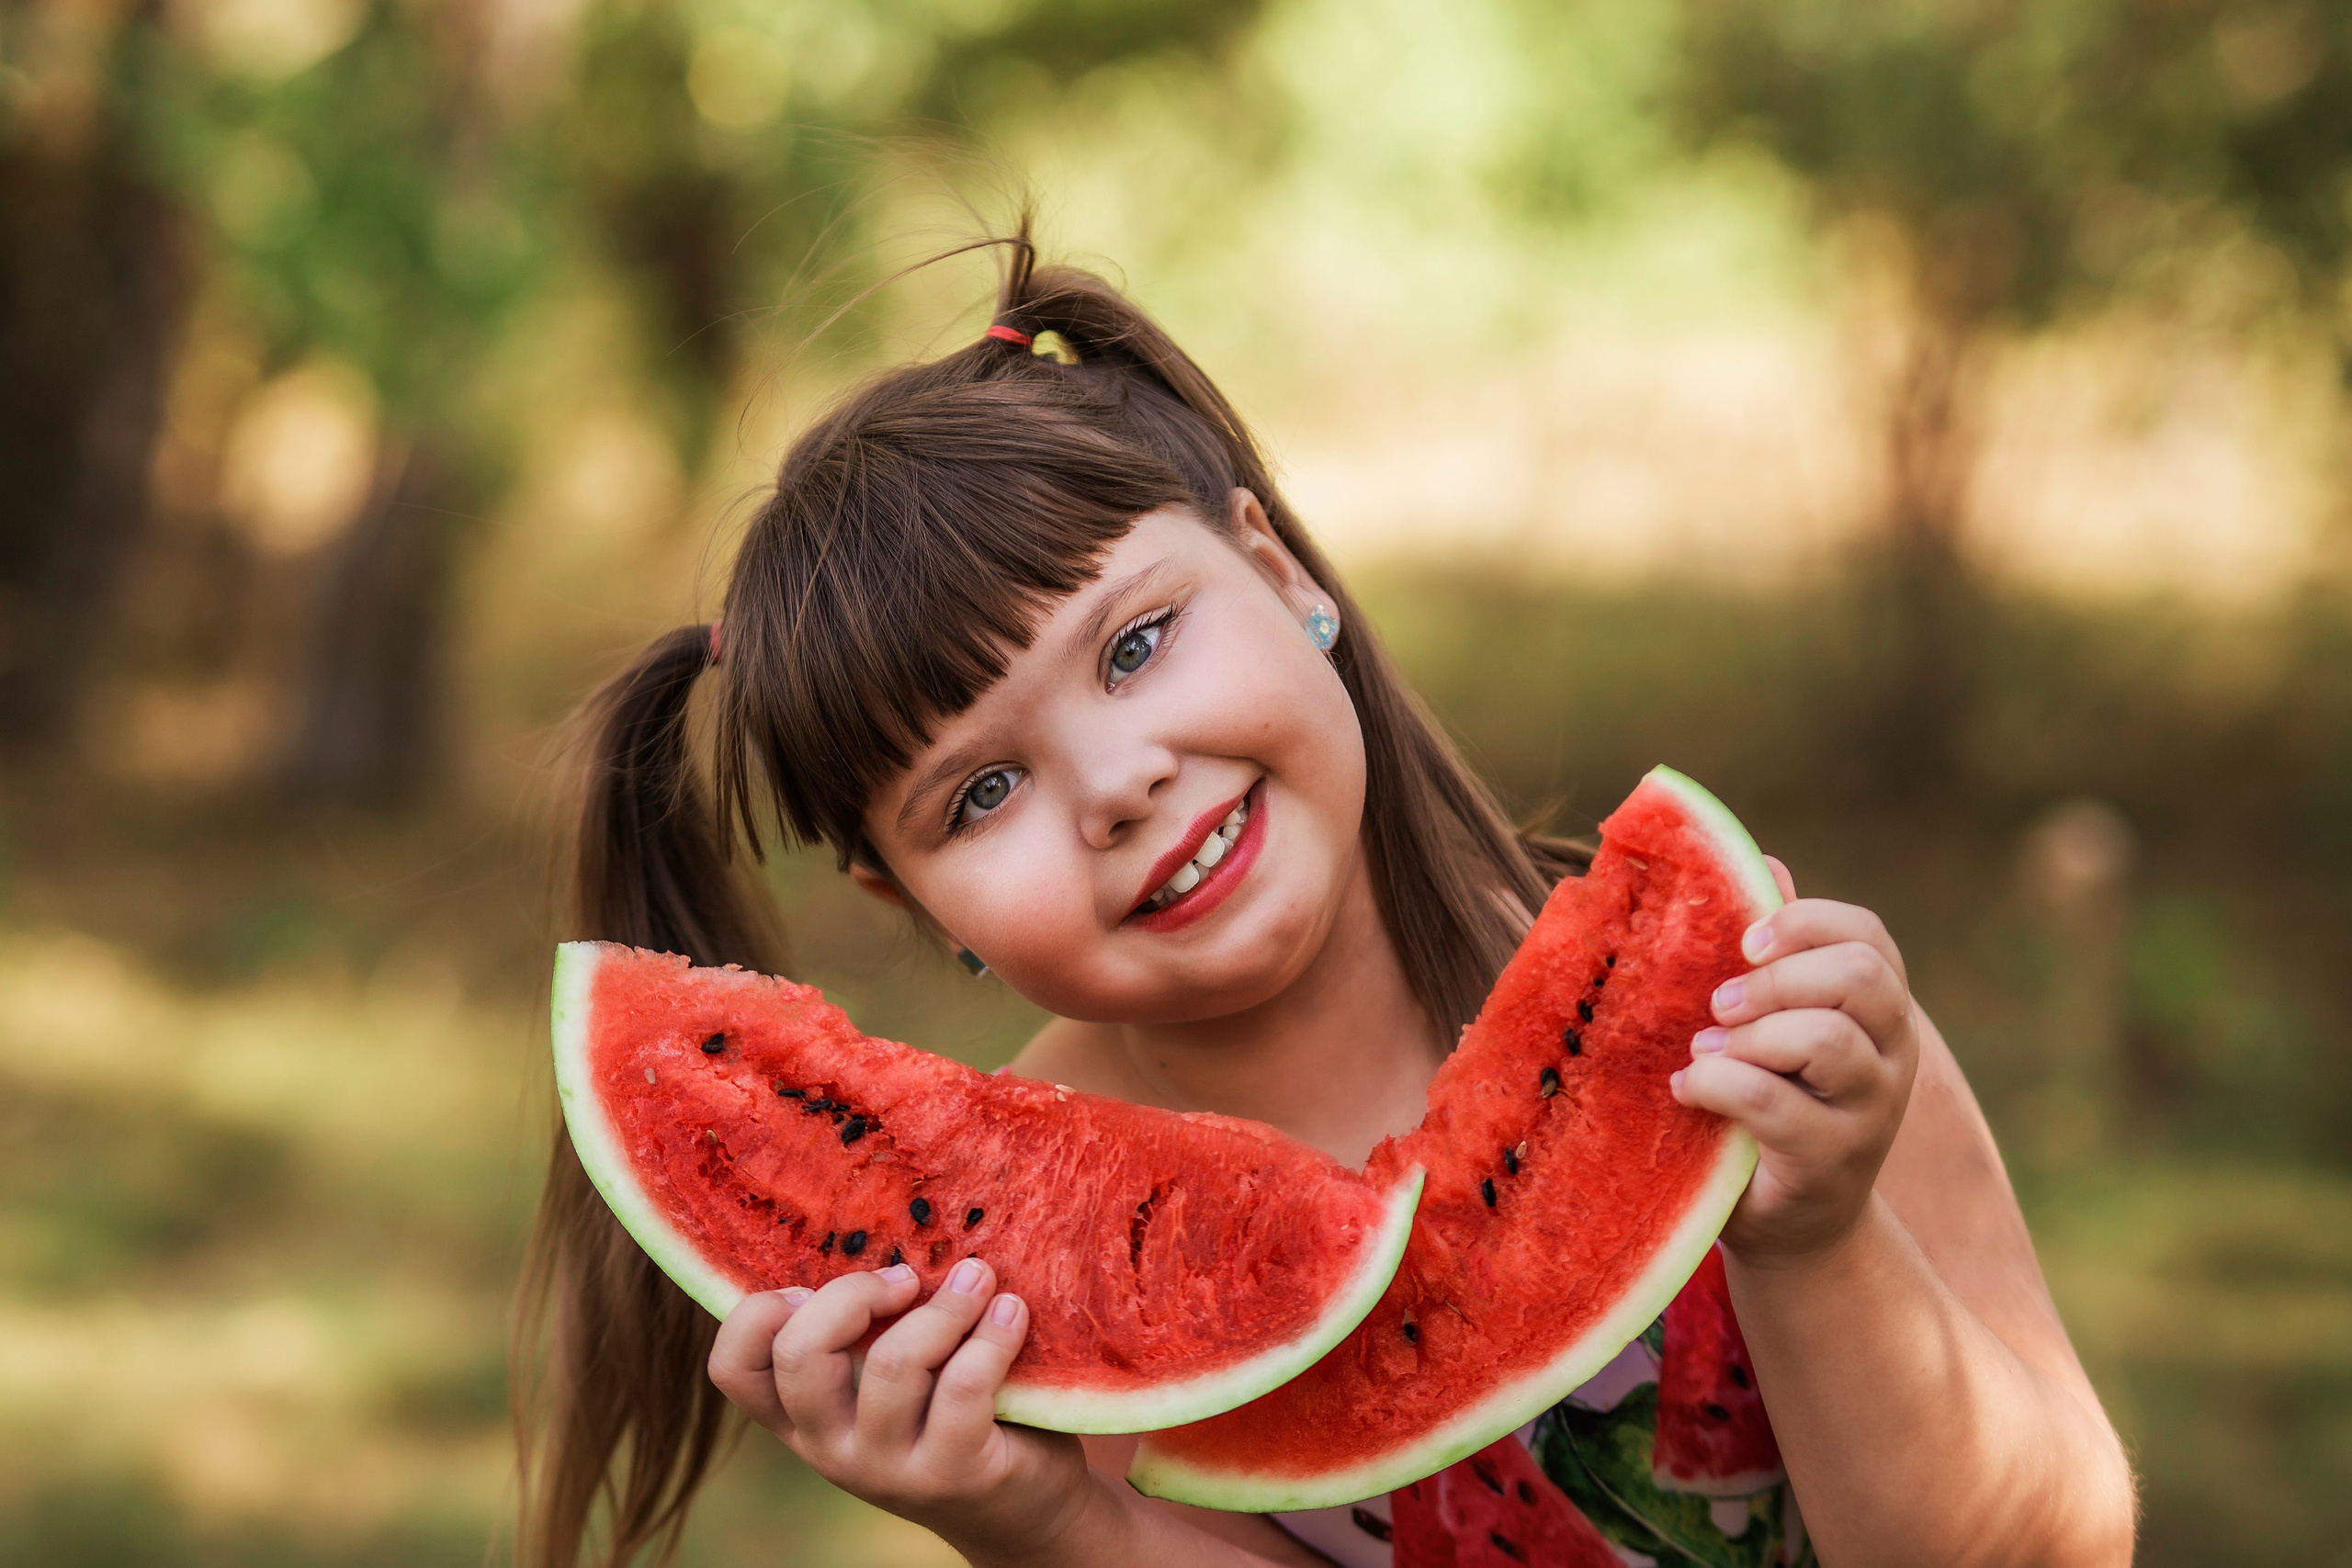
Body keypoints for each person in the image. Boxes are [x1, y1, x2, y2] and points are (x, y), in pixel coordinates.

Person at [514, 232, 2136, 1568]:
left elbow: (2053, 1549)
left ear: (1279, 572)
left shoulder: (1753, 1008)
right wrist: (1047, 1522)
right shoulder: (1002, 1277)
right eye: (981, 793)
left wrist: (1822, 1239)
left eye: (1135, 645)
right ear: (912, 903)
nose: (1117, 783)